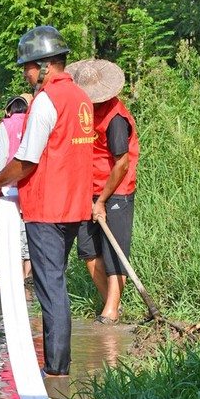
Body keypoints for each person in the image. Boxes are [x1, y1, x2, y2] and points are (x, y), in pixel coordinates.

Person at [0, 26, 94, 378]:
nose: (25, 74)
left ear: (45, 65)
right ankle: (59, 363)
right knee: (55, 281)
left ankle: (56, 371)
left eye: (28, 67)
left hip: (48, 208)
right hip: (74, 207)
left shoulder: (47, 101)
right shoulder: (81, 98)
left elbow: (26, 160)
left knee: (50, 287)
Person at [66, 58, 139, 325]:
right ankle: (113, 303)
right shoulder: (81, 113)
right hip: (88, 189)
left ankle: (110, 311)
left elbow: (121, 164)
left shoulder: (115, 118)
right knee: (87, 250)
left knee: (113, 250)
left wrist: (102, 201)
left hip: (116, 189)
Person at [0, 92, 33, 279]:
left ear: (9, 111)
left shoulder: (6, 124)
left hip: (10, 184)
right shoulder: (32, 121)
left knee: (14, 231)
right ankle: (28, 275)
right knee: (29, 229)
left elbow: (2, 156)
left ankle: (17, 278)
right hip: (30, 183)